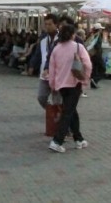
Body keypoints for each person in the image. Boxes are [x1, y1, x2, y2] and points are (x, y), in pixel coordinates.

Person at [45, 22, 90, 152]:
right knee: (68, 112)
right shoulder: (78, 47)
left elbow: (52, 69)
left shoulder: (56, 49)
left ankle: (79, 139)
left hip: (61, 85)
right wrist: (85, 79)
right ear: (72, 35)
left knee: (71, 110)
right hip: (75, 83)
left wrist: (52, 85)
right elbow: (88, 64)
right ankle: (57, 141)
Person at [31, 14, 58, 110]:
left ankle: (56, 114)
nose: (47, 27)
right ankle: (50, 110)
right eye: (46, 24)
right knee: (41, 97)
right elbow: (38, 53)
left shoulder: (61, 38)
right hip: (45, 72)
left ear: (56, 24)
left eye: (50, 24)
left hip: (57, 73)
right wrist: (32, 65)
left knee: (57, 99)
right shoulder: (43, 39)